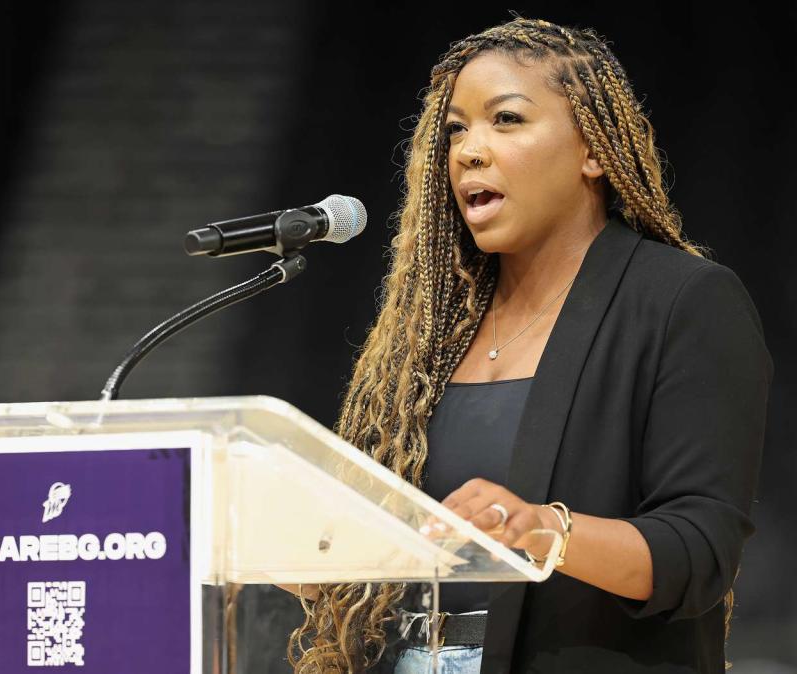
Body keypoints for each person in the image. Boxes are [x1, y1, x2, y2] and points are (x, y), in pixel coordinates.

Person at [283, 14, 773, 674]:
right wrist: (314, 562)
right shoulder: (430, 332)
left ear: (593, 149)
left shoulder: (679, 300)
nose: (467, 151)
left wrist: (549, 531)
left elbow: (699, 551)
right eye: (456, 129)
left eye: (505, 120)